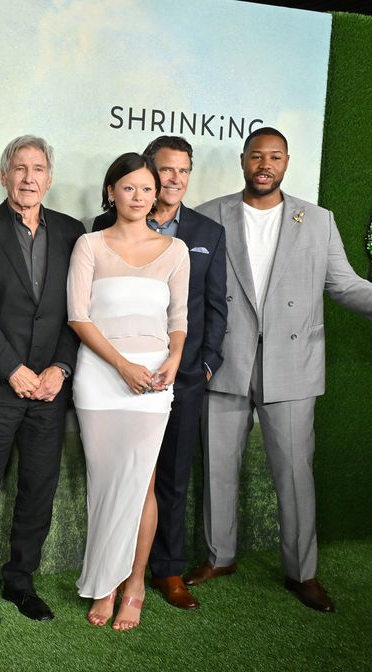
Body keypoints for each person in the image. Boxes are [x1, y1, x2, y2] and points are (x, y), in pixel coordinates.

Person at [192, 127, 372, 612]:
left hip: (292, 365)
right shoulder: (209, 216)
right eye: (257, 156)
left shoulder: (318, 220)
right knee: (217, 467)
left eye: (276, 157)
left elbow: (345, 284)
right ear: (243, 160)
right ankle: (219, 557)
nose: (265, 164)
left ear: (287, 163)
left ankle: (302, 572)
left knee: (294, 472)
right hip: (225, 363)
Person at [92, 136, 227, 610]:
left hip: (183, 376)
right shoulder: (106, 227)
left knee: (171, 475)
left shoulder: (207, 234)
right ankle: (114, 571)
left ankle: (167, 572)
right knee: (127, 477)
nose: (174, 180)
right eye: (166, 170)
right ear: (146, 175)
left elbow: (214, 307)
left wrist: (205, 365)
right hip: (119, 376)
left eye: (183, 171)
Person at [0, 135, 85, 625]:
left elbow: (81, 313)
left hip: (50, 390)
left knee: (38, 489)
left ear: (50, 178)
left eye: (38, 169)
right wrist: (13, 368)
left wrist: (60, 368)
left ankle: (21, 581)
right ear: (3, 175)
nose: (29, 178)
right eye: (19, 168)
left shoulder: (75, 235)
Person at [68, 152, 189, 630]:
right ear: (111, 192)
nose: (138, 197)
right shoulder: (89, 245)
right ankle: (106, 581)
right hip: (100, 380)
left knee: (142, 483)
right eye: (128, 188)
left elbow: (178, 321)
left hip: (155, 381)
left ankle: (134, 582)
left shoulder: (175, 252)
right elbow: (79, 316)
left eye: (146, 188)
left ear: (156, 193)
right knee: (106, 484)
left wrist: (174, 360)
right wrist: (121, 365)